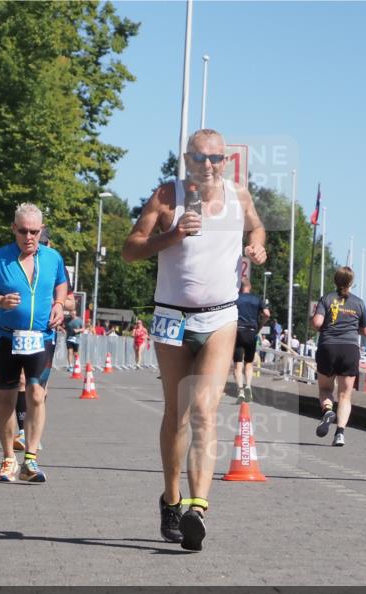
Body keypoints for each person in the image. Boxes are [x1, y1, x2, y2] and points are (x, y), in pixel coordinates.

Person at [123, 128, 266, 551]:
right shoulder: (167, 196)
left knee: (205, 410)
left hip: (220, 317)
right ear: (187, 160)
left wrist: (257, 248)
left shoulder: (239, 197)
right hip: (171, 318)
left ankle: (197, 509)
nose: (208, 165)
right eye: (200, 158)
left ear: (227, 162)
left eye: (216, 158)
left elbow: (257, 231)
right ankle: (171, 498)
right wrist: (173, 235)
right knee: (178, 414)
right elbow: (131, 249)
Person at [0, 203, 68, 481]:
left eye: (35, 232)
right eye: (24, 231)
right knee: (5, 399)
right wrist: (0, 301)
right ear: (14, 229)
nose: (29, 237)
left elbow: (62, 283)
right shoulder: (0, 258)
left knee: (37, 395)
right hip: (6, 337)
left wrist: (60, 304)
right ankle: (8, 459)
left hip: (41, 337)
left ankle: (30, 460)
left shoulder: (52, 257)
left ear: (41, 230)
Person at [311, 266, 366, 447]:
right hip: (349, 349)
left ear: (335, 281)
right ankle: (340, 434)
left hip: (328, 347)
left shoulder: (326, 299)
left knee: (325, 389)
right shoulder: (359, 303)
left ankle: (328, 410)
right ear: (351, 282)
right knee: (345, 395)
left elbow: (317, 323)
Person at [232, 277, 270, 403]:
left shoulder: (235, 298)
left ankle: (240, 391)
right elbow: (267, 314)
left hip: (238, 331)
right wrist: (260, 325)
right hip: (252, 332)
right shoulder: (257, 299)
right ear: (250, 286)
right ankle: (248, 385)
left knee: (238, 363)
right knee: (249, 362)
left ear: (239, 287)